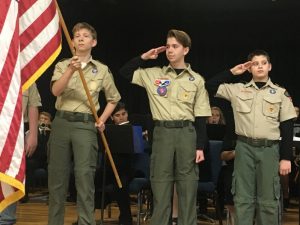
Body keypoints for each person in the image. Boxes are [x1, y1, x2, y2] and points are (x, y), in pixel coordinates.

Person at [120, 29, 211, 225]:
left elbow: (201, 116)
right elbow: (125, 72)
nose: (170, 50)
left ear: (185, 50)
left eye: (175, 46)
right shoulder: (154, 74)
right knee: (160, 184)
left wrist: (200, 146)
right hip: (162, 132)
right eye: (168, 46)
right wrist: (144, 57)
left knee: (187, 186)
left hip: (187, 132)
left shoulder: (196, 80)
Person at [207, 49, 296, 225]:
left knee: (269, 200)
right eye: (255, 64)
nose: (260, 66)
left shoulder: (280, 93)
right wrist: (233, 71)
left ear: (269, 66)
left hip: (269, 149)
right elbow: (208, 86)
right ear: (249, 68)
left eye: (263, 63)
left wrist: (286, 158)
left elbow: (287, 128)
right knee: (242, 199)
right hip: (244, 148)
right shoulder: (237, 90)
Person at [47, 22, 121, 225]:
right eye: (77, 35)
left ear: (93, 42)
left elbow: (113, 98)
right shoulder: (63, 64)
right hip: (61, 122)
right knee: (57, 181)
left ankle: (86, 222)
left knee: (84, 179)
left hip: (85, 125)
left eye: (85, 35)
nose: (80, 38)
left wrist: (102, 119)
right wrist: (71, 70)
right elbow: (55, 91)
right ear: (72, 41)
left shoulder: (102, 70)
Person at [0, 83, 41, 224]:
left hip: (14, 134)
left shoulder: (25, 70)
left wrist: (33, 133)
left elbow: (33, 104)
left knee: (10, 176)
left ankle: (6, 219)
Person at [21, 111, 52, 203]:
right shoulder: (31, 132)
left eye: (45, 119)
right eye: (41, 119)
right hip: (35, 158)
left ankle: (53, 197)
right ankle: (24, 195)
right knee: (28, 165)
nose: (43, 121)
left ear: (50, 122)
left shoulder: (54, 133)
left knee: (55, 168)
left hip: (48, 159)